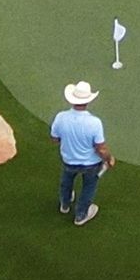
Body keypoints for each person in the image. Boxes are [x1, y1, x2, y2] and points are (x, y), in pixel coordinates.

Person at [50, 80, 115, 226]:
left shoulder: (61, 117)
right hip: (91, 164)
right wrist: (109, 159)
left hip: (69, 159)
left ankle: (65, 204)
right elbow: (100, 148)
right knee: (89, 187)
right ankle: (81, 215)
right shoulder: (94, 122)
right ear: (88, 101)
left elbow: (54, 139)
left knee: (66, 182)